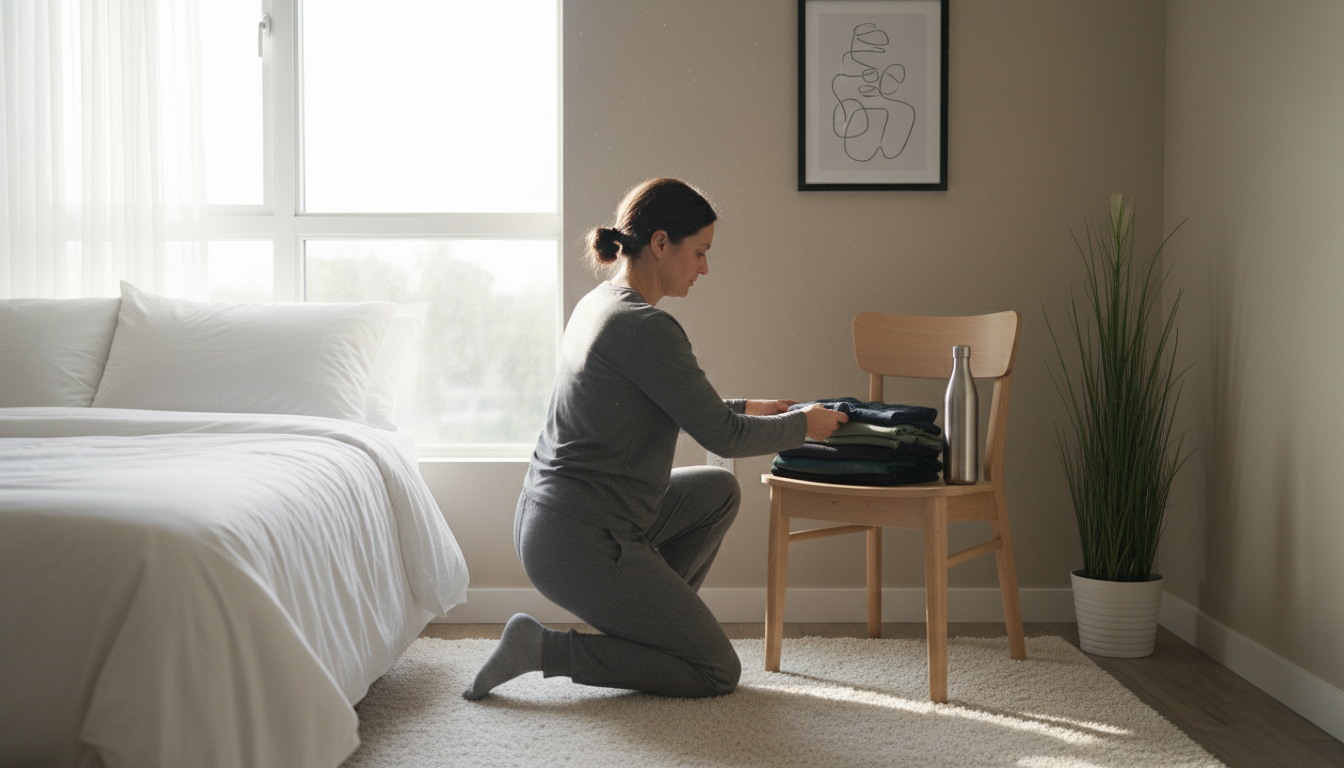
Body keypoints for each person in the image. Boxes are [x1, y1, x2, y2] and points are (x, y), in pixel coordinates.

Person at [463, 178, 848, 700]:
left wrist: (748, 406)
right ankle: (541, 648)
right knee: (715, 670)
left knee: (717, 491)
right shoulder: (645, 327)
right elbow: (722, 435)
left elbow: (663, 402)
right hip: (580, 536)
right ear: (661, 243)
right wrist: (806, 427)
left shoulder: (601, 303)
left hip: (555, 519)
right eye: (700, 252)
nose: (705, 268)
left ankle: (653, 629)